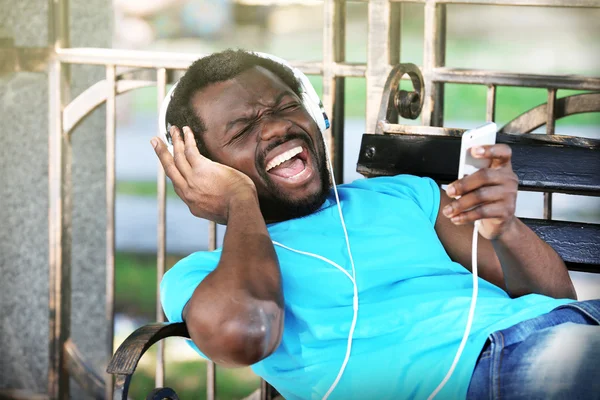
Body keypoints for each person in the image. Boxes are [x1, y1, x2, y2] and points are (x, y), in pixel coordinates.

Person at [152, 49, 599, 400]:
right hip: (485, 371)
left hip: (558, 333)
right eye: (241, 129)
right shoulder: (200, 277)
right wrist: (239, 199)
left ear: (317, 115)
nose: (273, 130)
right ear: (202, 168)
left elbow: (555, 300)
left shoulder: (405, 194)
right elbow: (245, 333)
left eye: (286, 107)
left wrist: (505, 228)